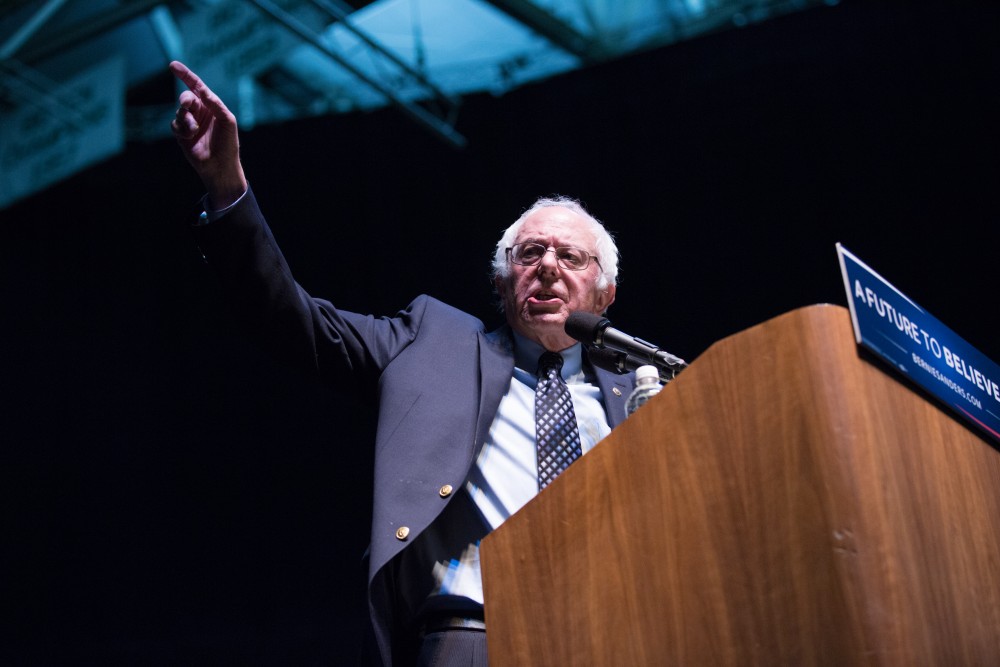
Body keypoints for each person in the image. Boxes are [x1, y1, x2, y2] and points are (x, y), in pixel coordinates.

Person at [169, 60, 635, 666]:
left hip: (619, 634)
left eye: (570, 256)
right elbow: (291, 321)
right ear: (502, 282)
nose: (547, 265)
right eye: (529, 253)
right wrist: (228, 187)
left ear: (605, 295)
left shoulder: (645, 392)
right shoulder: (432, 344)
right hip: (476, 636)